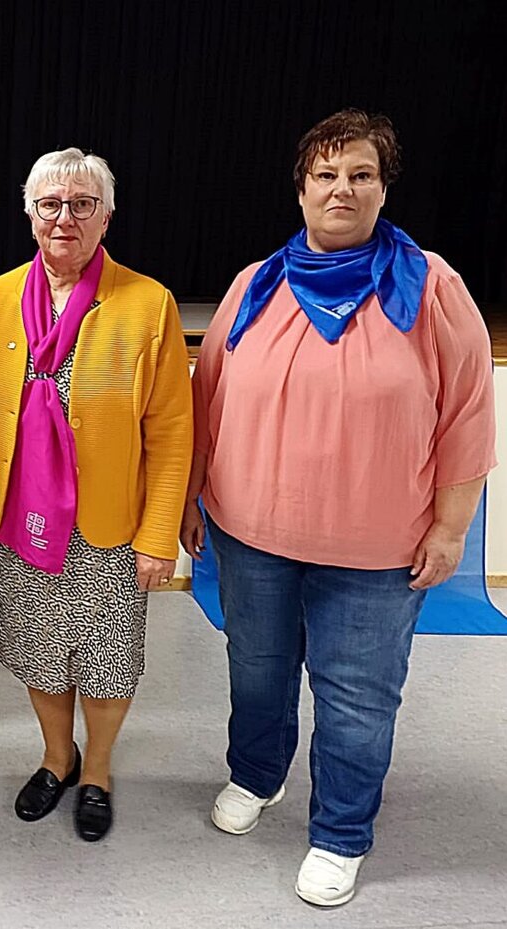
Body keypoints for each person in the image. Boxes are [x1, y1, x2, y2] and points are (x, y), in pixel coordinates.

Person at [181, 109, 496, 907]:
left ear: (384, 189)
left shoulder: (433, 287)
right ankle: (258, 775)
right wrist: (189, 498)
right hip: (251, 532)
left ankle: (341, 832)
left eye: (361, 174)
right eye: (325, 174)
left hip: (377, 549)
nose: (341, 189)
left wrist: (452, 527)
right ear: (302, 190)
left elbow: (466, 414)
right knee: (257, 670)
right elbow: (206, 402)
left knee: (356, 694)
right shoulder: (255, 284)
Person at [0, 148, 193, 842]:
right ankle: (57, 758)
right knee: (40, 651)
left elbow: (172, 431)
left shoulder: (147, 303)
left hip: (109, 525)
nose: (65, 218)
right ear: (29, 213)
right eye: (50, 204)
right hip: (21, 520)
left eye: (83, 204)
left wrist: (158, 535)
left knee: (109, 661)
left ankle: (99, 769)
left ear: (106, 216)